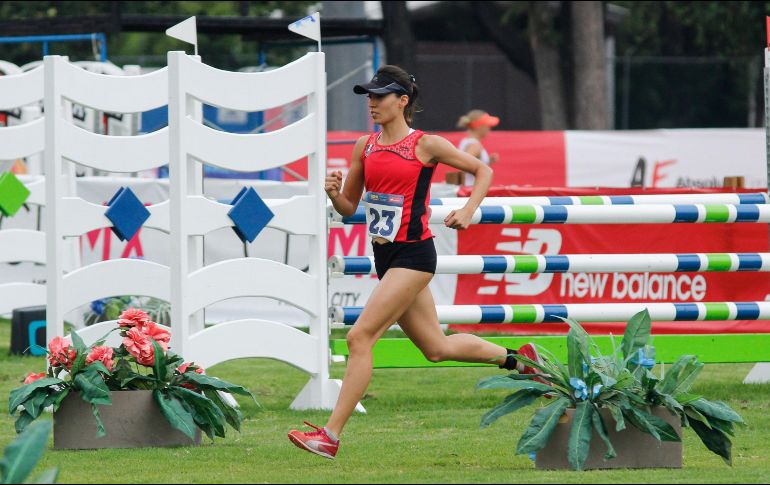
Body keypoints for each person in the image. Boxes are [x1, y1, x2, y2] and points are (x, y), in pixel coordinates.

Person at [287, 65, 545, 460]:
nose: (371, 103)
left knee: (359, 338)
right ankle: (519, 360)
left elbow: (483, 170)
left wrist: (469, 209)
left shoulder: (427, 144)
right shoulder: (365, 146)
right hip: (386, 257)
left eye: (380, 96)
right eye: (368, 96)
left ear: (402, 101)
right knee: (436, 348)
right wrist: (334, 193)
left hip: (414, 254)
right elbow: (349, 207)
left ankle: (330, 435)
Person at [456, 109, 500, 187]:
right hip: (471, 189)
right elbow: (463, 166)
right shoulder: (474, 145)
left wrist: (488, 161)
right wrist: (463, 189)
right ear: (479, 126)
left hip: (470, 189)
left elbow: (472, 167)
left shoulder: (466, 141)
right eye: (487, 125)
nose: (489, 128)